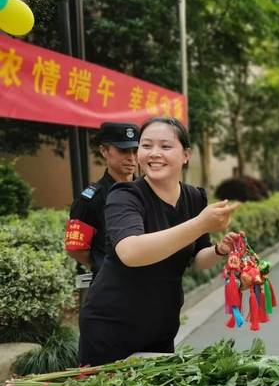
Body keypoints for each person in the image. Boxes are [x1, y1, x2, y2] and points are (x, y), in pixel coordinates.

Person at [78, 117, 240, 366]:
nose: (154, 154)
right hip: (111, 327)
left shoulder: (194, 198)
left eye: (165, 147)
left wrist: (220, 250)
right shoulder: (125, 195)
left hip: (161, 326)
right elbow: (131, 252)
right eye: (146, 146)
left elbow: (197, 259)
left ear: (186, 155)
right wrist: (200, 224)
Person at [65, 122, 139, 279]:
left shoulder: (148, 191)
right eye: (123, 150)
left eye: (135, 150)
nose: (131, 157)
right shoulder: (90, 199)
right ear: (104, 151)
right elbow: (74, 248)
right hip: (110, 288)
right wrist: (103, 266)